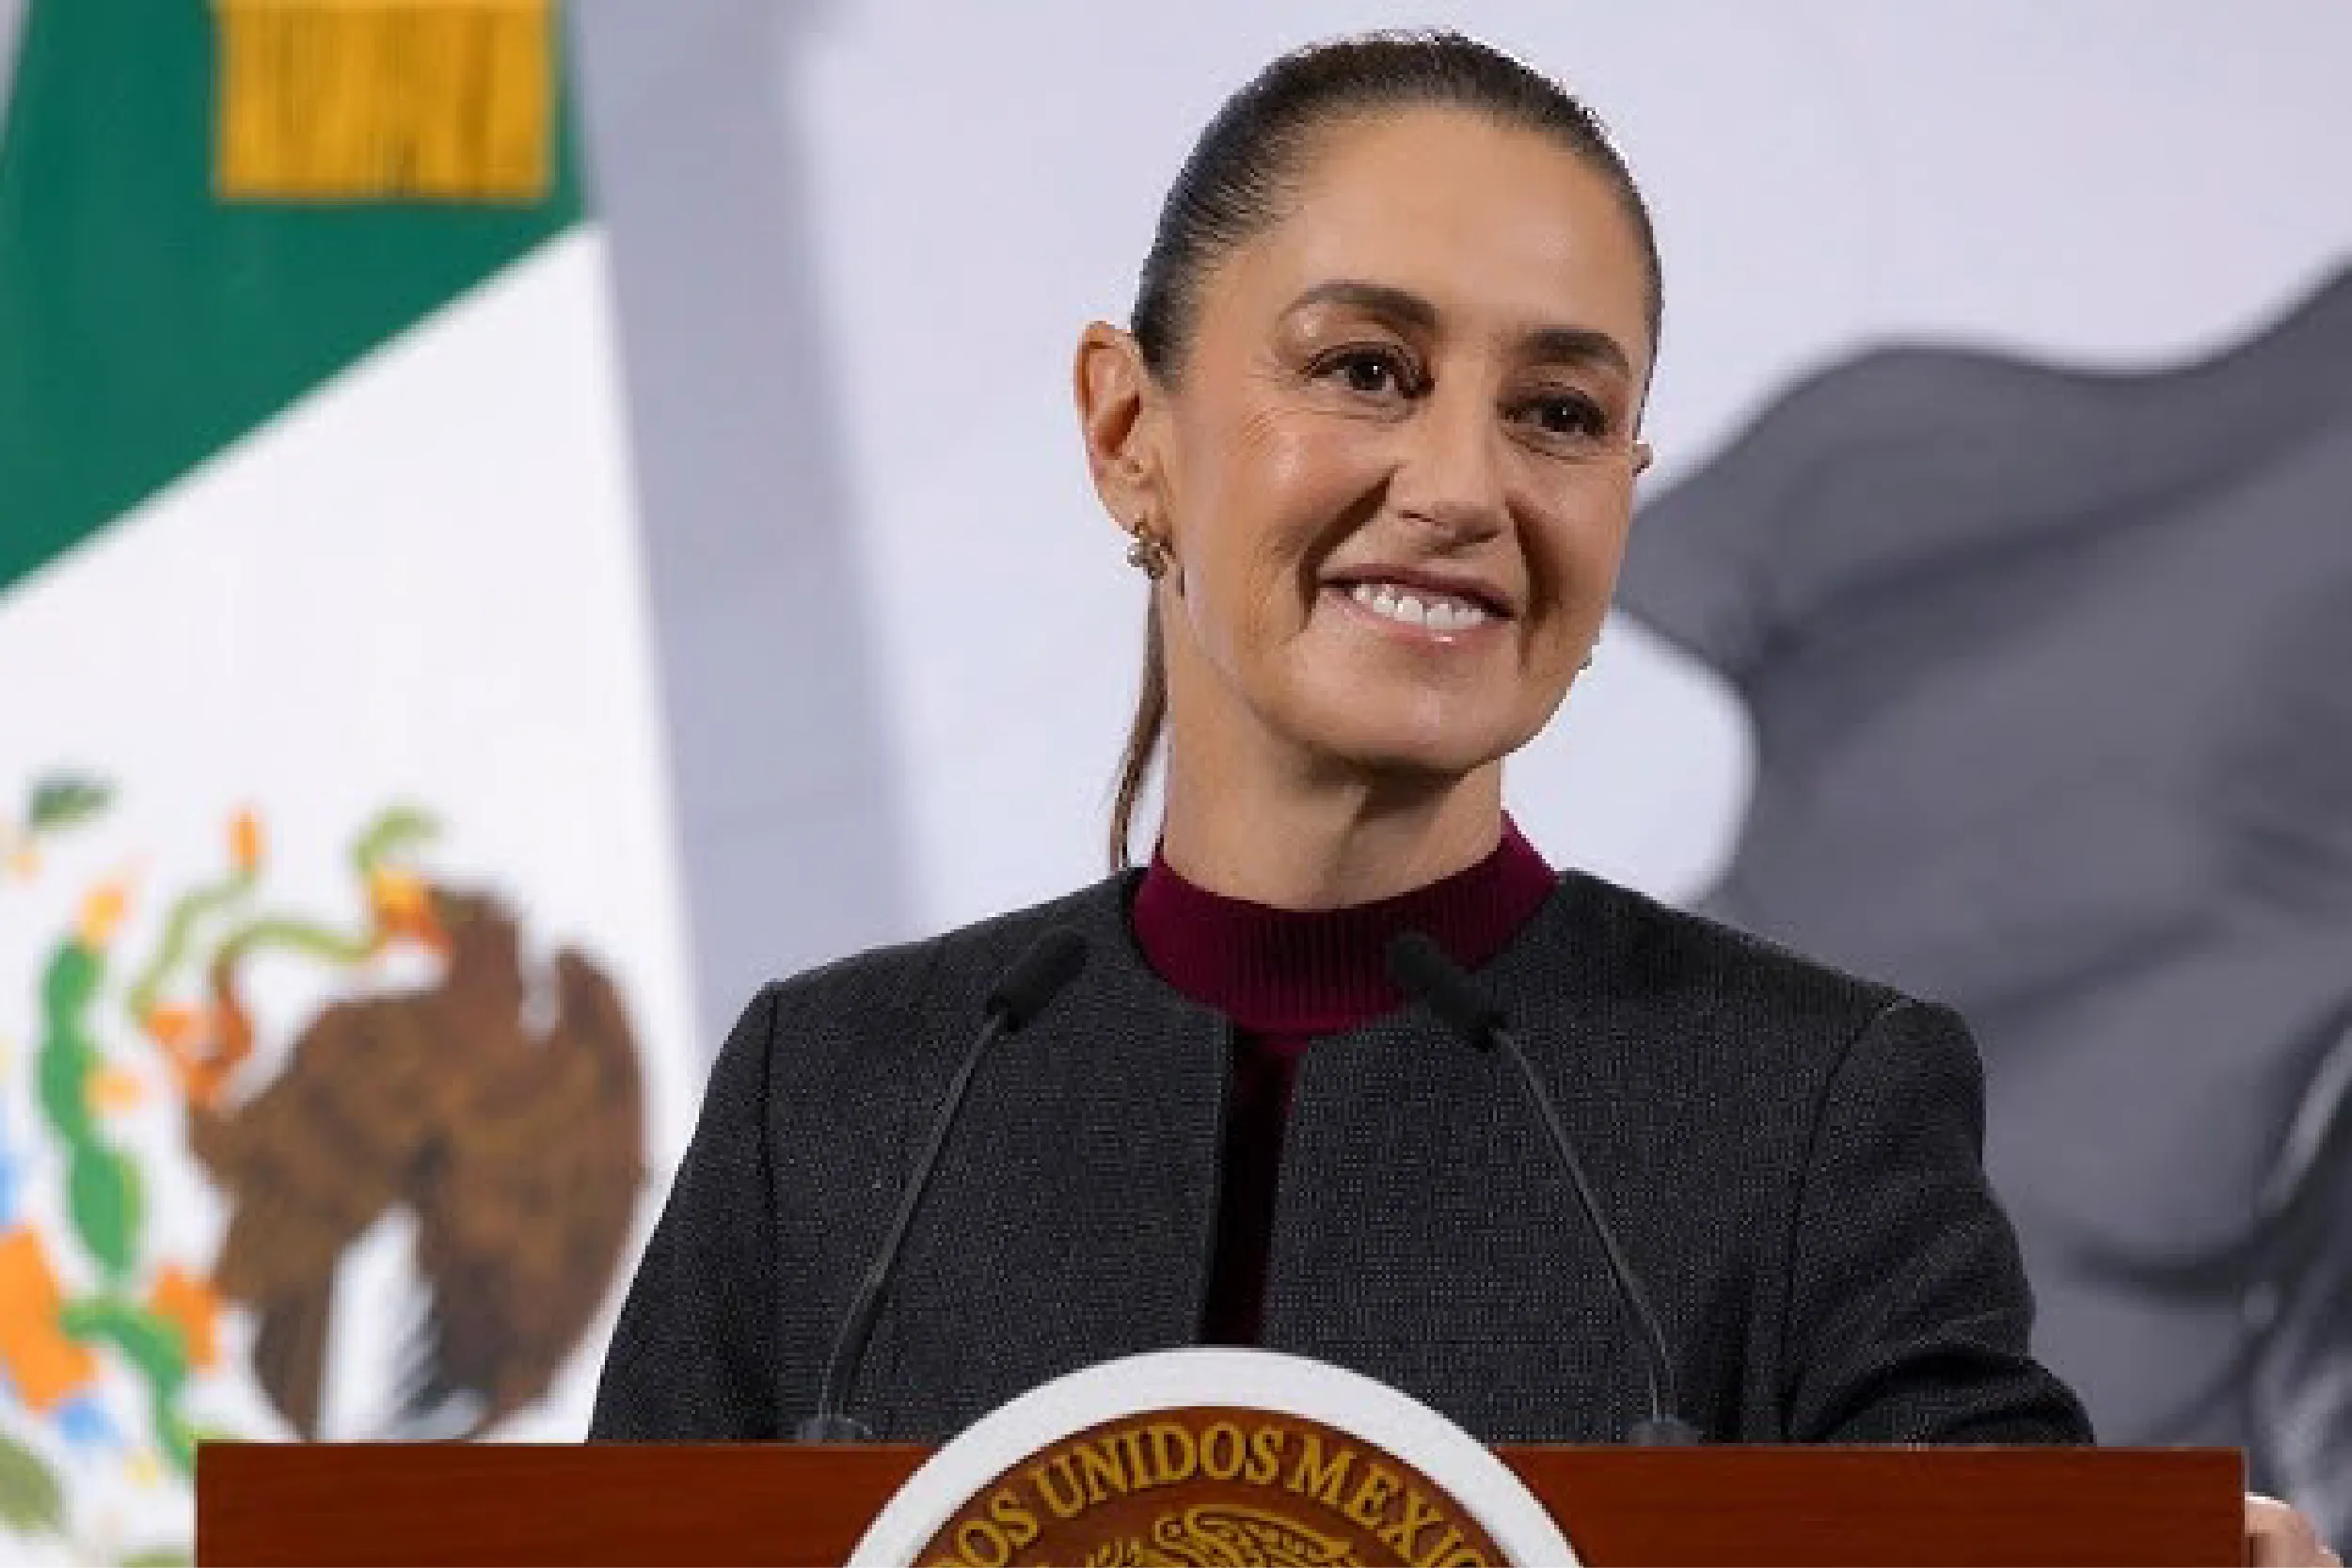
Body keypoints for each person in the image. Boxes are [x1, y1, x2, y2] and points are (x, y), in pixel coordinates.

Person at [589, 30, 2334, 1564]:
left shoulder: (1813, 1110)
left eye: (1561, 411)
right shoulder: (832, 1106)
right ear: (1133, 430)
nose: (1465, 484)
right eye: (1366, 369)